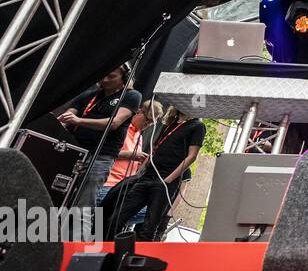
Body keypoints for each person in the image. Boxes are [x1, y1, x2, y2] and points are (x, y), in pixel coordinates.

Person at [58, 65, 143, 231]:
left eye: (111, 77)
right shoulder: (89, 96)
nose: (105, 80)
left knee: (83, 208)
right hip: (75, 152)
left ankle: (77, 250)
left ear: (124, 78)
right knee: (59, 199)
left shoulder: (131, 96)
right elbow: (66, 117)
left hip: (100, 157)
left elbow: (114, 123)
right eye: (103, 76)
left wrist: (79, 121)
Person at [101, 106, 205, 241]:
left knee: (148, 228)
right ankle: (109, 251)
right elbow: (154, 151)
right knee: (117, 218)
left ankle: (134, 257)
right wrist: (139, 174)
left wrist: (168, 180)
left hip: (164, 181)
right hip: (146, 177)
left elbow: (192, 156)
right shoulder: (170, 124)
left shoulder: (197, 125)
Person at [99, 98, 164, 201]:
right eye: (148, 119)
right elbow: (101, 151)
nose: (149, 124)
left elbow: (133, 165)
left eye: (153, 123)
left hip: (123, 187)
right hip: (107, 183)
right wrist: (130, 155)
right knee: (98, 215)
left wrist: (144, 162)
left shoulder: (139, 136)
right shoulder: (121, 128)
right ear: (138, 112)